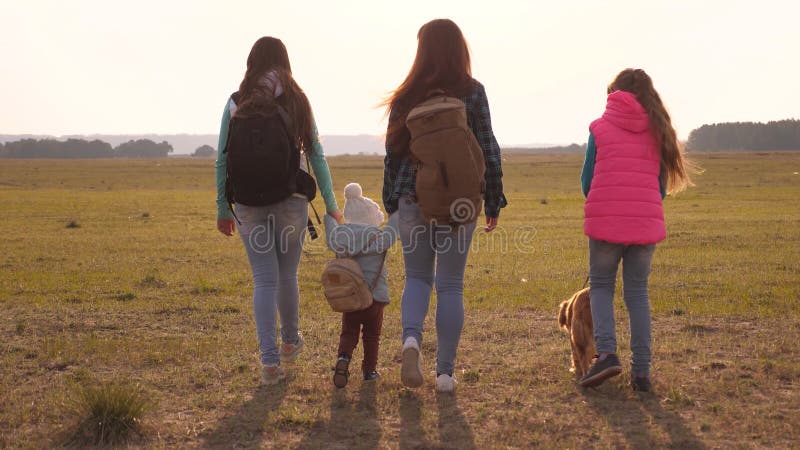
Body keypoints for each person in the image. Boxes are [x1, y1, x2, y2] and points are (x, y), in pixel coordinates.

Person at [382, 19, 507, 392]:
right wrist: (493, 199)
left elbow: (392, 154)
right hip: (460, 202)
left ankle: (410, 341)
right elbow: (488, 147)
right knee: (451, 285)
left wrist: (393, 201)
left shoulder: (407, 95)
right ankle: (446, 374)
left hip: (411, 197)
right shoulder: (473, 92)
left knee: (417, 278)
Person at [215, 36, 343, 385]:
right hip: (290, 201)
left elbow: (223, 159)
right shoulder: (297, 99)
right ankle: (289, 342)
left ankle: (268, 363)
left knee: (264, 280)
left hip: (247, 204)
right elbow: (315, 153)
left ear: (251, 62)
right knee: (287, 276)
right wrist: (332, 207)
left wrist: (222, 208)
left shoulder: (235, 101)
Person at [579, 68, 696, 391]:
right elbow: (659, 188)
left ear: (615, 93)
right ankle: (641, 372)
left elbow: (587, 182)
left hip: (605, 223)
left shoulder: (599, 128)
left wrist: (606, 199)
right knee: (637, 294)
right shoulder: (658, 131)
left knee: (601, 287)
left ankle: (606, 355)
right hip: (645, 225)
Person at [325, 183, 399, 388]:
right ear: (371, 216)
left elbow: (330, 231)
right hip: (375, 298)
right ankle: (369, 371)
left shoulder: (340, 235)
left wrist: (330, 215)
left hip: (349, 296)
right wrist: (398, 211)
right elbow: (393, 230)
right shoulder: (378, 236)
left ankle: (343, 359)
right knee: (372, 336)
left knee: (349, 332)